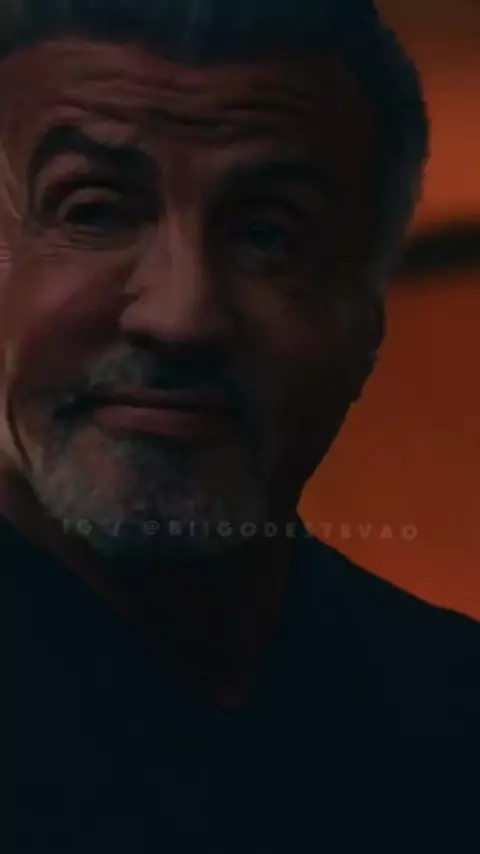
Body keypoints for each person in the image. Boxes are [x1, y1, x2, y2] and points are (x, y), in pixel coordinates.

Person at [1, 1, 478, 851]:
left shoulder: (453, 707)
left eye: (268, 235)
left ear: (366, 328)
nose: (182, 315)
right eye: (93, 211)